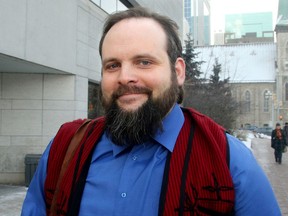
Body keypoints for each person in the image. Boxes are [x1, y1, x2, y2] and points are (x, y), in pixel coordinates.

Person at [21, 7, 280, 216]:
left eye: (143, 62)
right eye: (112, 65)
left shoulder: (229, 160)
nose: (125, 77)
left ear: (177, 71)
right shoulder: (65, 149)